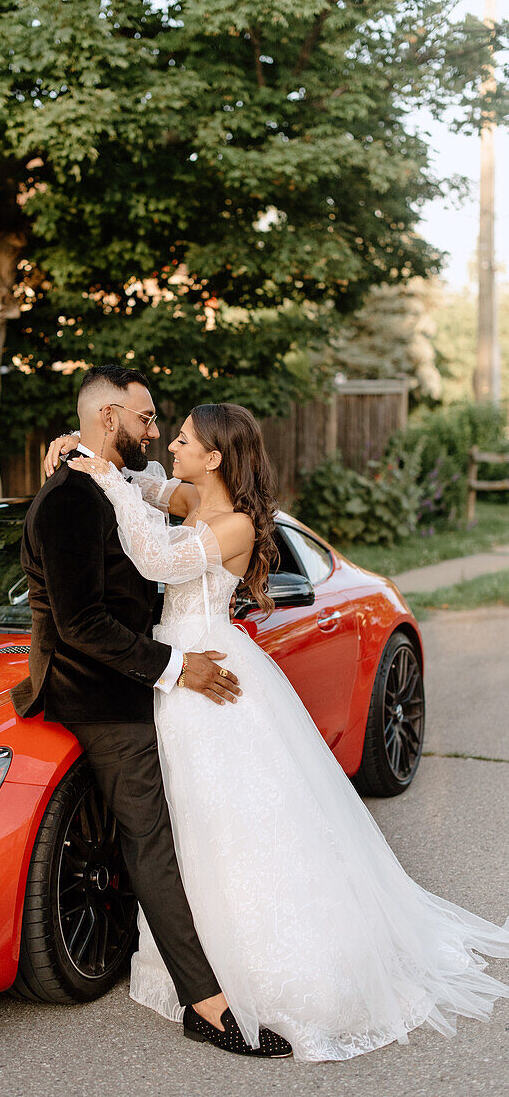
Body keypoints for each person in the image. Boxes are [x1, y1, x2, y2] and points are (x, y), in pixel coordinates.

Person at [48, 399, 509, 1062]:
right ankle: (193, 967)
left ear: (215, 456)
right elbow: (145, 484)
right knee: (191, 823)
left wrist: (107, 480)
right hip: (178, 673)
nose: (170, 447)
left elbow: (153, 560)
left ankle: (266, 975)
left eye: (182, 441)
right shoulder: (187, 496)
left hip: (209, 674)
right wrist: (84, 451)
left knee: (236, 823)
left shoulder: (233, 524)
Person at [11, 366, 292, 1057]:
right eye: (147, 420)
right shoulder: (73, 497)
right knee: (155, 840)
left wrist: (91, 458)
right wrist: (171, 666)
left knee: (189, 830)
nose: (159, 433)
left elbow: (144, 535)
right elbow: (79, 621)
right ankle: (208, 1002)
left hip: (161, 673)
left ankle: (218, 977)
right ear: (110, 419)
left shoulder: (129, 488)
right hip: (107, 689)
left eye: (176, 431)